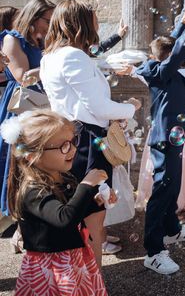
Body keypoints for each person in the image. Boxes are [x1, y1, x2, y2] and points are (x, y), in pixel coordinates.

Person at [40, 0, 140, 266]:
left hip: (68, 137)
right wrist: (129, 107)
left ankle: (76, 277)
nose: (97, 23)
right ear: (82, 22)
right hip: (87, 141)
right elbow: (97, 106)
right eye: (94, 18)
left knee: (77, 214)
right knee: (93, 218)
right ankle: (92, 283)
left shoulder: (50, 55)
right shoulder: (73, 56)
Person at [2, 110, 112, 295]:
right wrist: (85, 185)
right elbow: (64, 219)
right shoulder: (32, 190)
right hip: (51, 268)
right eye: (64, 146)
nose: (73, 150)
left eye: (73, 142)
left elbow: (74, 210)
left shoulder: (63, 177)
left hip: (72, 258)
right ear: (32, 155)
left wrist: (94, 200)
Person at [134, 2, 185, 275]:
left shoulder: (163, 66)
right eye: (174, 55)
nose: (179, 58)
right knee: (162, 191)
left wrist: (184, 19)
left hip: (175, 138)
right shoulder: (160, 72)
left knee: (172, 186)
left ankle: (172, 230)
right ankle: (153, 251)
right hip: (165, 139)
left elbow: (171, 45)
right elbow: (176, 50)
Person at [0, 0, 55, 223]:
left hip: (40, 105)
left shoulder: (40, 41)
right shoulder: (13, 39)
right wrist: (54, 65)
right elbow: (23, 76)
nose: (50, 25)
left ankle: (28, 219)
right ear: (33, 17)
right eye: (47, 20)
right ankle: (17, 216)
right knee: (18, 162)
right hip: (21, 107)